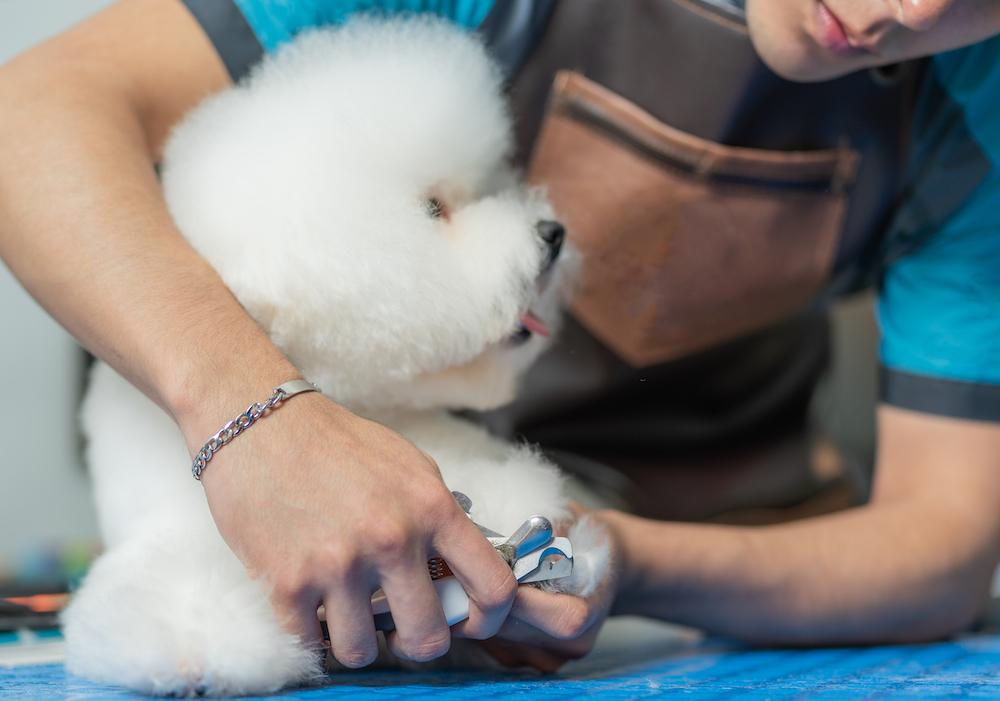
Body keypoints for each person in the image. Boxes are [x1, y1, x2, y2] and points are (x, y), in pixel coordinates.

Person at [0, 0, 997, 673]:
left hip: (730, 562)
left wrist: (624, 560)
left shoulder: (975, 105)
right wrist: (259, 419)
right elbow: (31, 110)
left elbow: (945, 544)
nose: (904, 11)